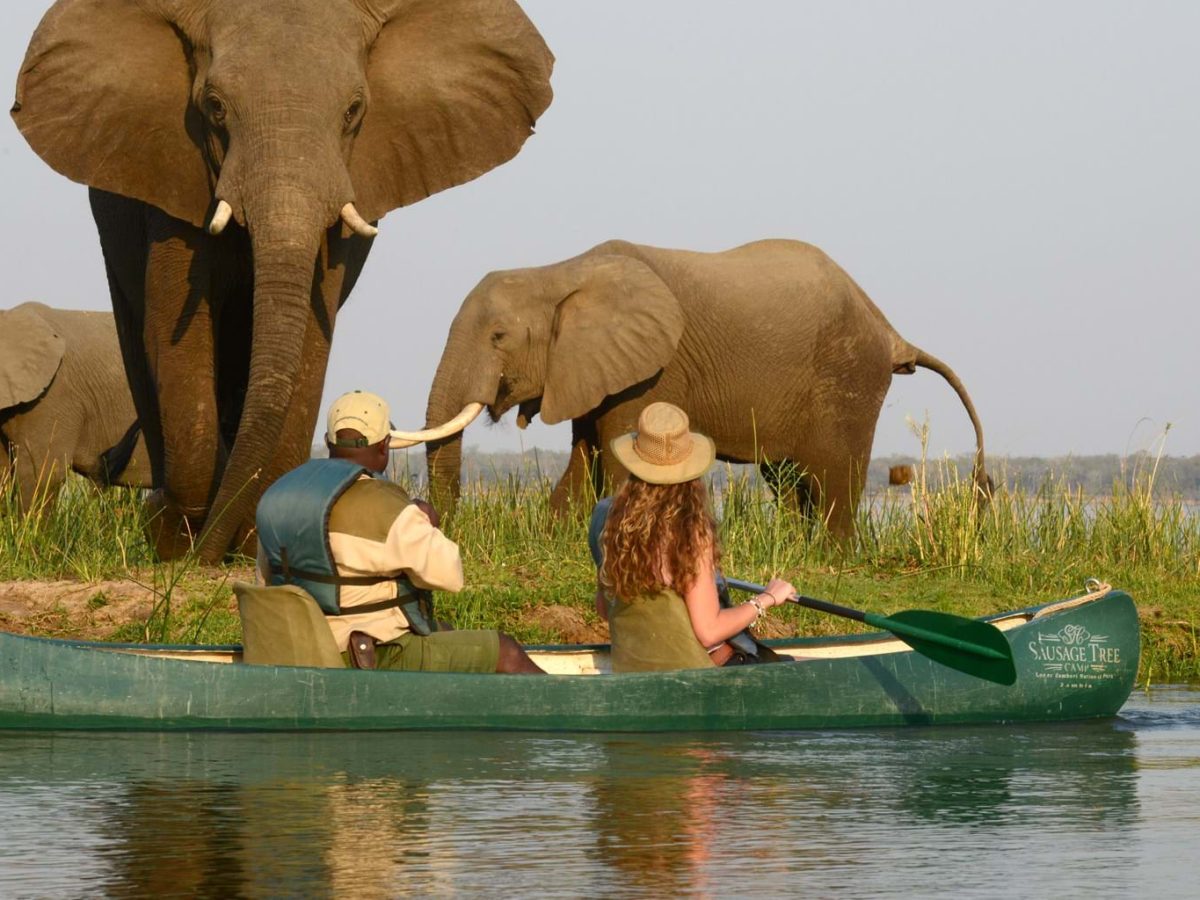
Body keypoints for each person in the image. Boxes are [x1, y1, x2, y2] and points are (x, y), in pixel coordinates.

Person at [256, 389, 544, 674]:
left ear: (328, 441)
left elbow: (265, 577)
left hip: (298, 646)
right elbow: (450, 574)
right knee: (505, 652)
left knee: (444, 631)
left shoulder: (280, 496)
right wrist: (426, 523)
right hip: (367, 654)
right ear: (384, 446)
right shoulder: (389, 507)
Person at [593, 402, 796, 672]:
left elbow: (604, 610)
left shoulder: (607, 523)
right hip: (699, 676)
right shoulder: (690, 534)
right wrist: (767, 599)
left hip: (632, 671)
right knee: (797, 667)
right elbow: (709, 632)